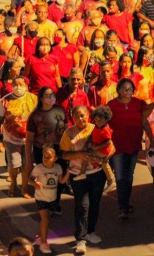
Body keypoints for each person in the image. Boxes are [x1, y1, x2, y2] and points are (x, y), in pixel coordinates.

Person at [60, 105, 112, 254]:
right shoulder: (69, 133)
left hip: (97, 173)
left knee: (95, 203)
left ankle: (91, 232)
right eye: (77, 116)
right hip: (77, 174)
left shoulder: (96, 128)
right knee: (82, 206)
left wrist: (103, 158)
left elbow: (111, 146)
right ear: (73, 118)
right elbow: (64, 155)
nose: (80, 118)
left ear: (88, 115)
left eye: (83, 115)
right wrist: (80, 155)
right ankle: (80, 239)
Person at [107, 78, 154, 219]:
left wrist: (152, 140)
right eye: (125, 89)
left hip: (133, 145)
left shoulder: (138, 104)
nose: (128, 92)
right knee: (120, 176)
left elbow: (144, 122)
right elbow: (105, 124)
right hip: (117, 146)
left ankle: (126, 203)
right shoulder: (111, 105)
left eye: (130, 89)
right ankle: (123, 207)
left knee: (129, 177)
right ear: (119, 90)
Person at [25, 85, 67, 213]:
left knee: (59, 177)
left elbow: (66, 129)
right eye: (47, 95)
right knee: (45, 179)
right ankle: (44, 204)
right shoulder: (35, 116)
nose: (51, 97)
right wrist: (28, 159)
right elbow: (29, 139)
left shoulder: (60, 110)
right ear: (41, 98)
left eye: (52, 95)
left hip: (59, 149)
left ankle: (55, 202)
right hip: (42, 151)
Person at [0, 76, 38, 198]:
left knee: (27, 164)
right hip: (11, 139)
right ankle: (13, 183)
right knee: (14, 165)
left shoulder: (34, 99)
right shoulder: (5, 100)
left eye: (21, 84)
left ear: (26, 86)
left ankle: (24, 188)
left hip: (29, 139)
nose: (18, 87)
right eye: (15, 84)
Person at [29, 146, 70, 254]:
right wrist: (35, 183)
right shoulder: (38, 168)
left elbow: (61, 181)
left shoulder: (58, 168)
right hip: (41, 198)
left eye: (49, 157)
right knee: (45, 219)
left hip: (52, 198)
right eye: (44, 157)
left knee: (45, 220)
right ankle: (44, 243)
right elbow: (30, 179)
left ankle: (39, 237)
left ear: (55, 158)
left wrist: (68, 173)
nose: (46, 159)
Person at [74, 106, 116, 194]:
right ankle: (109, 179)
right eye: (96, 120)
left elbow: (108, 142)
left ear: (106, 120)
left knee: (88, 156)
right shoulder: (97, 126)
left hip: (103, 151)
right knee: (101, 162)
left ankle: (83, 172)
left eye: (100, 120)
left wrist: (98, 147)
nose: (98, 122)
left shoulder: (105, 130)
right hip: (98, 148)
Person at [134, 46, 154, 119]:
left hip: (151, 105)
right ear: (144, 56)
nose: (153, 57)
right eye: (151, 55)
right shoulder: (135, 70)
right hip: (137, 106)